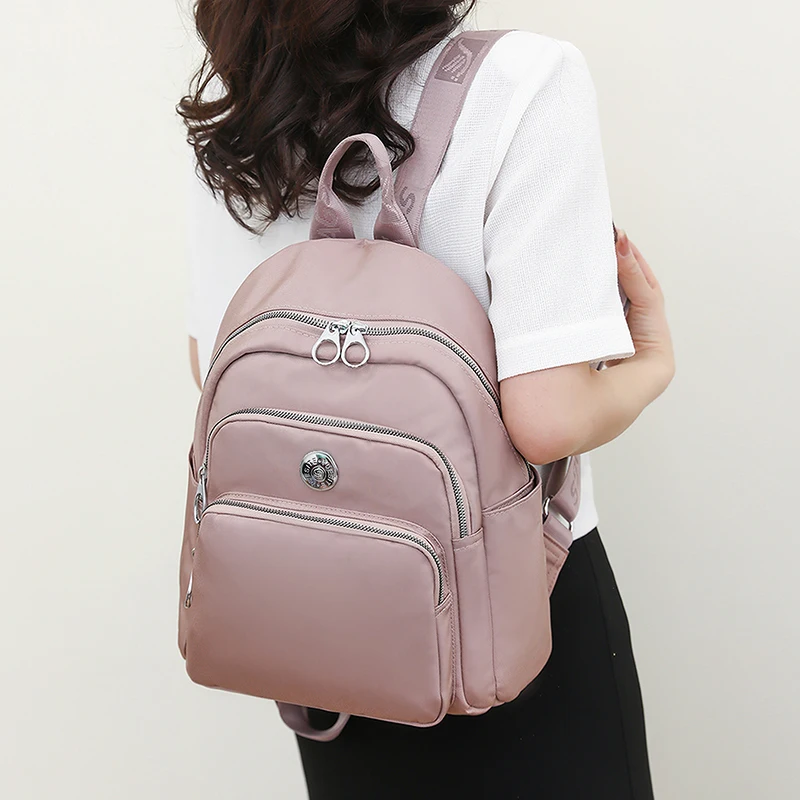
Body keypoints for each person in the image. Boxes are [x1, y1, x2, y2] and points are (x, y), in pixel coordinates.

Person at [178, 2, 674, 798]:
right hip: (509, 614)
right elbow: (545, 419)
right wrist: (651, 365)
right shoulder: (524, 80)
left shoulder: (240, 106)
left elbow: (213, 365)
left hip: (310, 630)